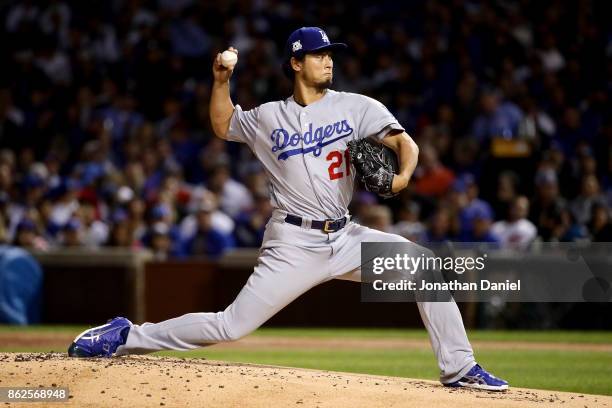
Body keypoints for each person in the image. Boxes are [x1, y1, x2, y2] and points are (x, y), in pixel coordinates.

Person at [68, 27, 508, 391]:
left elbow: (402, 143)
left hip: (346, 236)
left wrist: (403, 176)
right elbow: (222, 125)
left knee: (423, 267)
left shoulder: (357, 106)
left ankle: (460, 368)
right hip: (293, 242)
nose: (328, 61)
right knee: (230, 327)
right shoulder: (267, 117)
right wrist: (221, 80)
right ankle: (127, 335)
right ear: (296, 63)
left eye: (331, 54)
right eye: (318, 55)